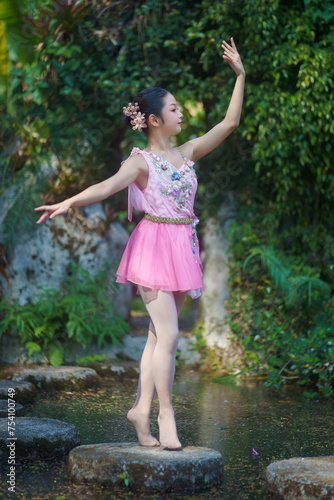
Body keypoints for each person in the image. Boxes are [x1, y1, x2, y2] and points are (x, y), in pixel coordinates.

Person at [35, 37, 245, 450]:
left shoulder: (187, 153)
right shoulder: (139, 162)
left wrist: (241, 76)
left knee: (154, 337)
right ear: (152, 120)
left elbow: (229, 124)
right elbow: (107, 186)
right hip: (152, 247)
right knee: (168, 337)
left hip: (182, 245)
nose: (181, 112)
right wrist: (70, 200)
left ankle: (140, 409)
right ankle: (165, 417)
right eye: (173, 108)